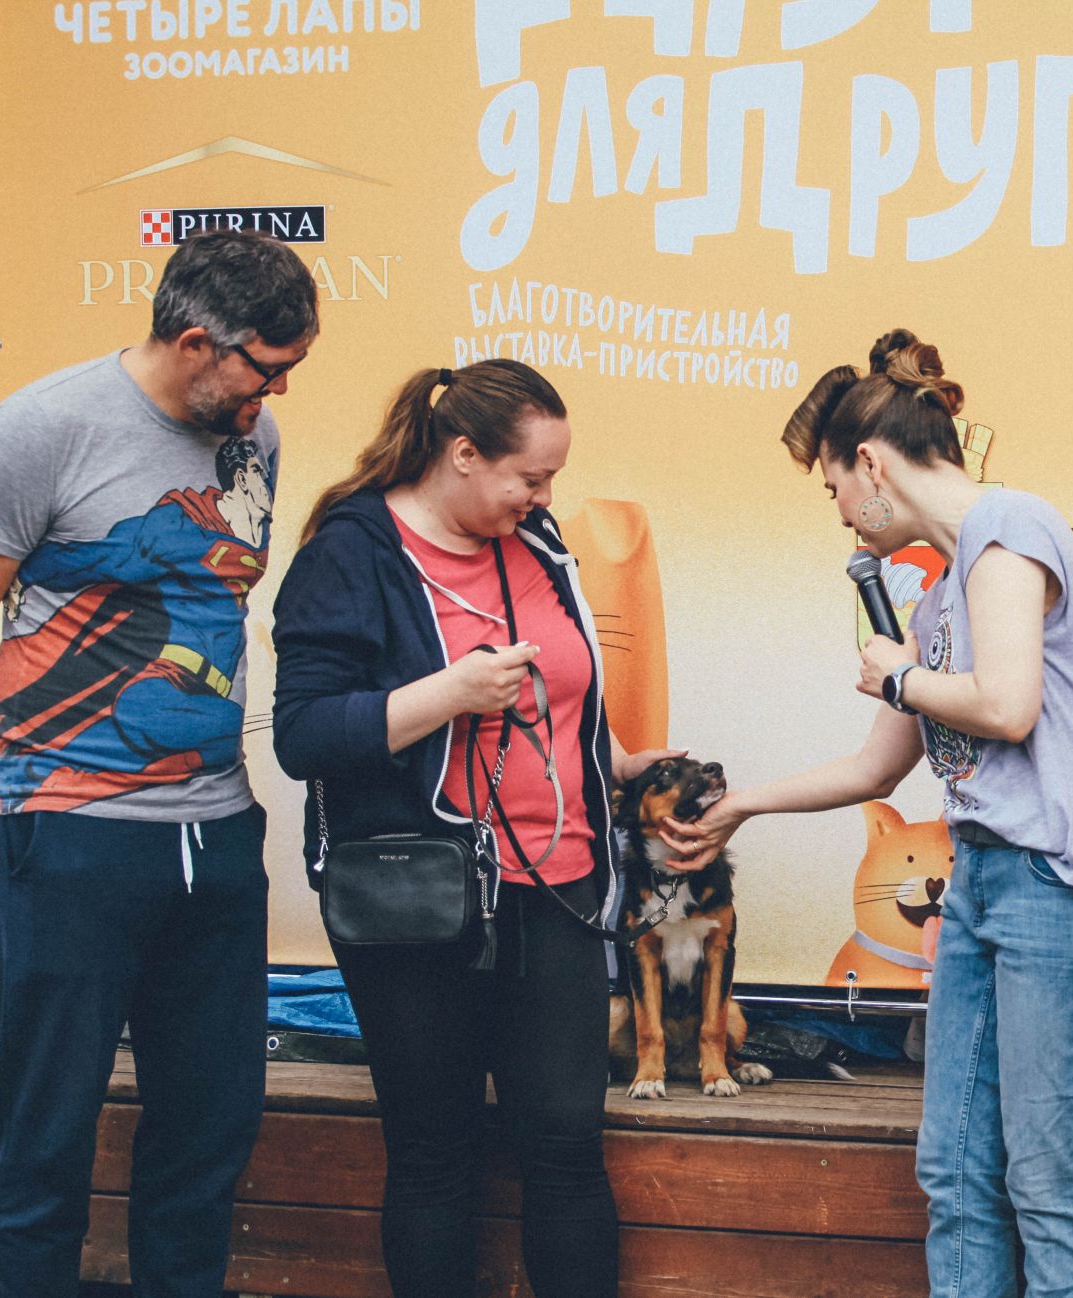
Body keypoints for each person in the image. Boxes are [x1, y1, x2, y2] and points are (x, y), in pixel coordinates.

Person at [669, 329, 1073, 1298]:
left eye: (832, 488)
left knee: (1042, 1172)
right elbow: (876, 766)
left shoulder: (1009, 527)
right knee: (953, 1166)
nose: (837, 513)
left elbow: (1007, 705)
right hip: (981, 875)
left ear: (871, 464)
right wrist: (742, 806)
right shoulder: (939, 597)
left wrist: (902, 675)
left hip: (1062, 878)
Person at [0, 230, 319, 1298]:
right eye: (267, 367)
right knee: (46, 1129)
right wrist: (3, 756)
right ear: (195, 343)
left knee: (209, 1127)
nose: (277, 391)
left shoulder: (253, 435)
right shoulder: (46, 427)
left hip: (216, 831)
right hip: (71, 832)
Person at [272, 359, 678, 1298]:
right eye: (529, 477)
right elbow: (303, 735)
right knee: (433, 1150)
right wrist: (447, 694)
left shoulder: (533, 542)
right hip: (418, 901)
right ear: (462, 454)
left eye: (551, 479)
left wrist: (614, 765)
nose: (545, 497)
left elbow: (563, 693)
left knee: (568, 1144)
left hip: (558, 887)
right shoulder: (353, 551)